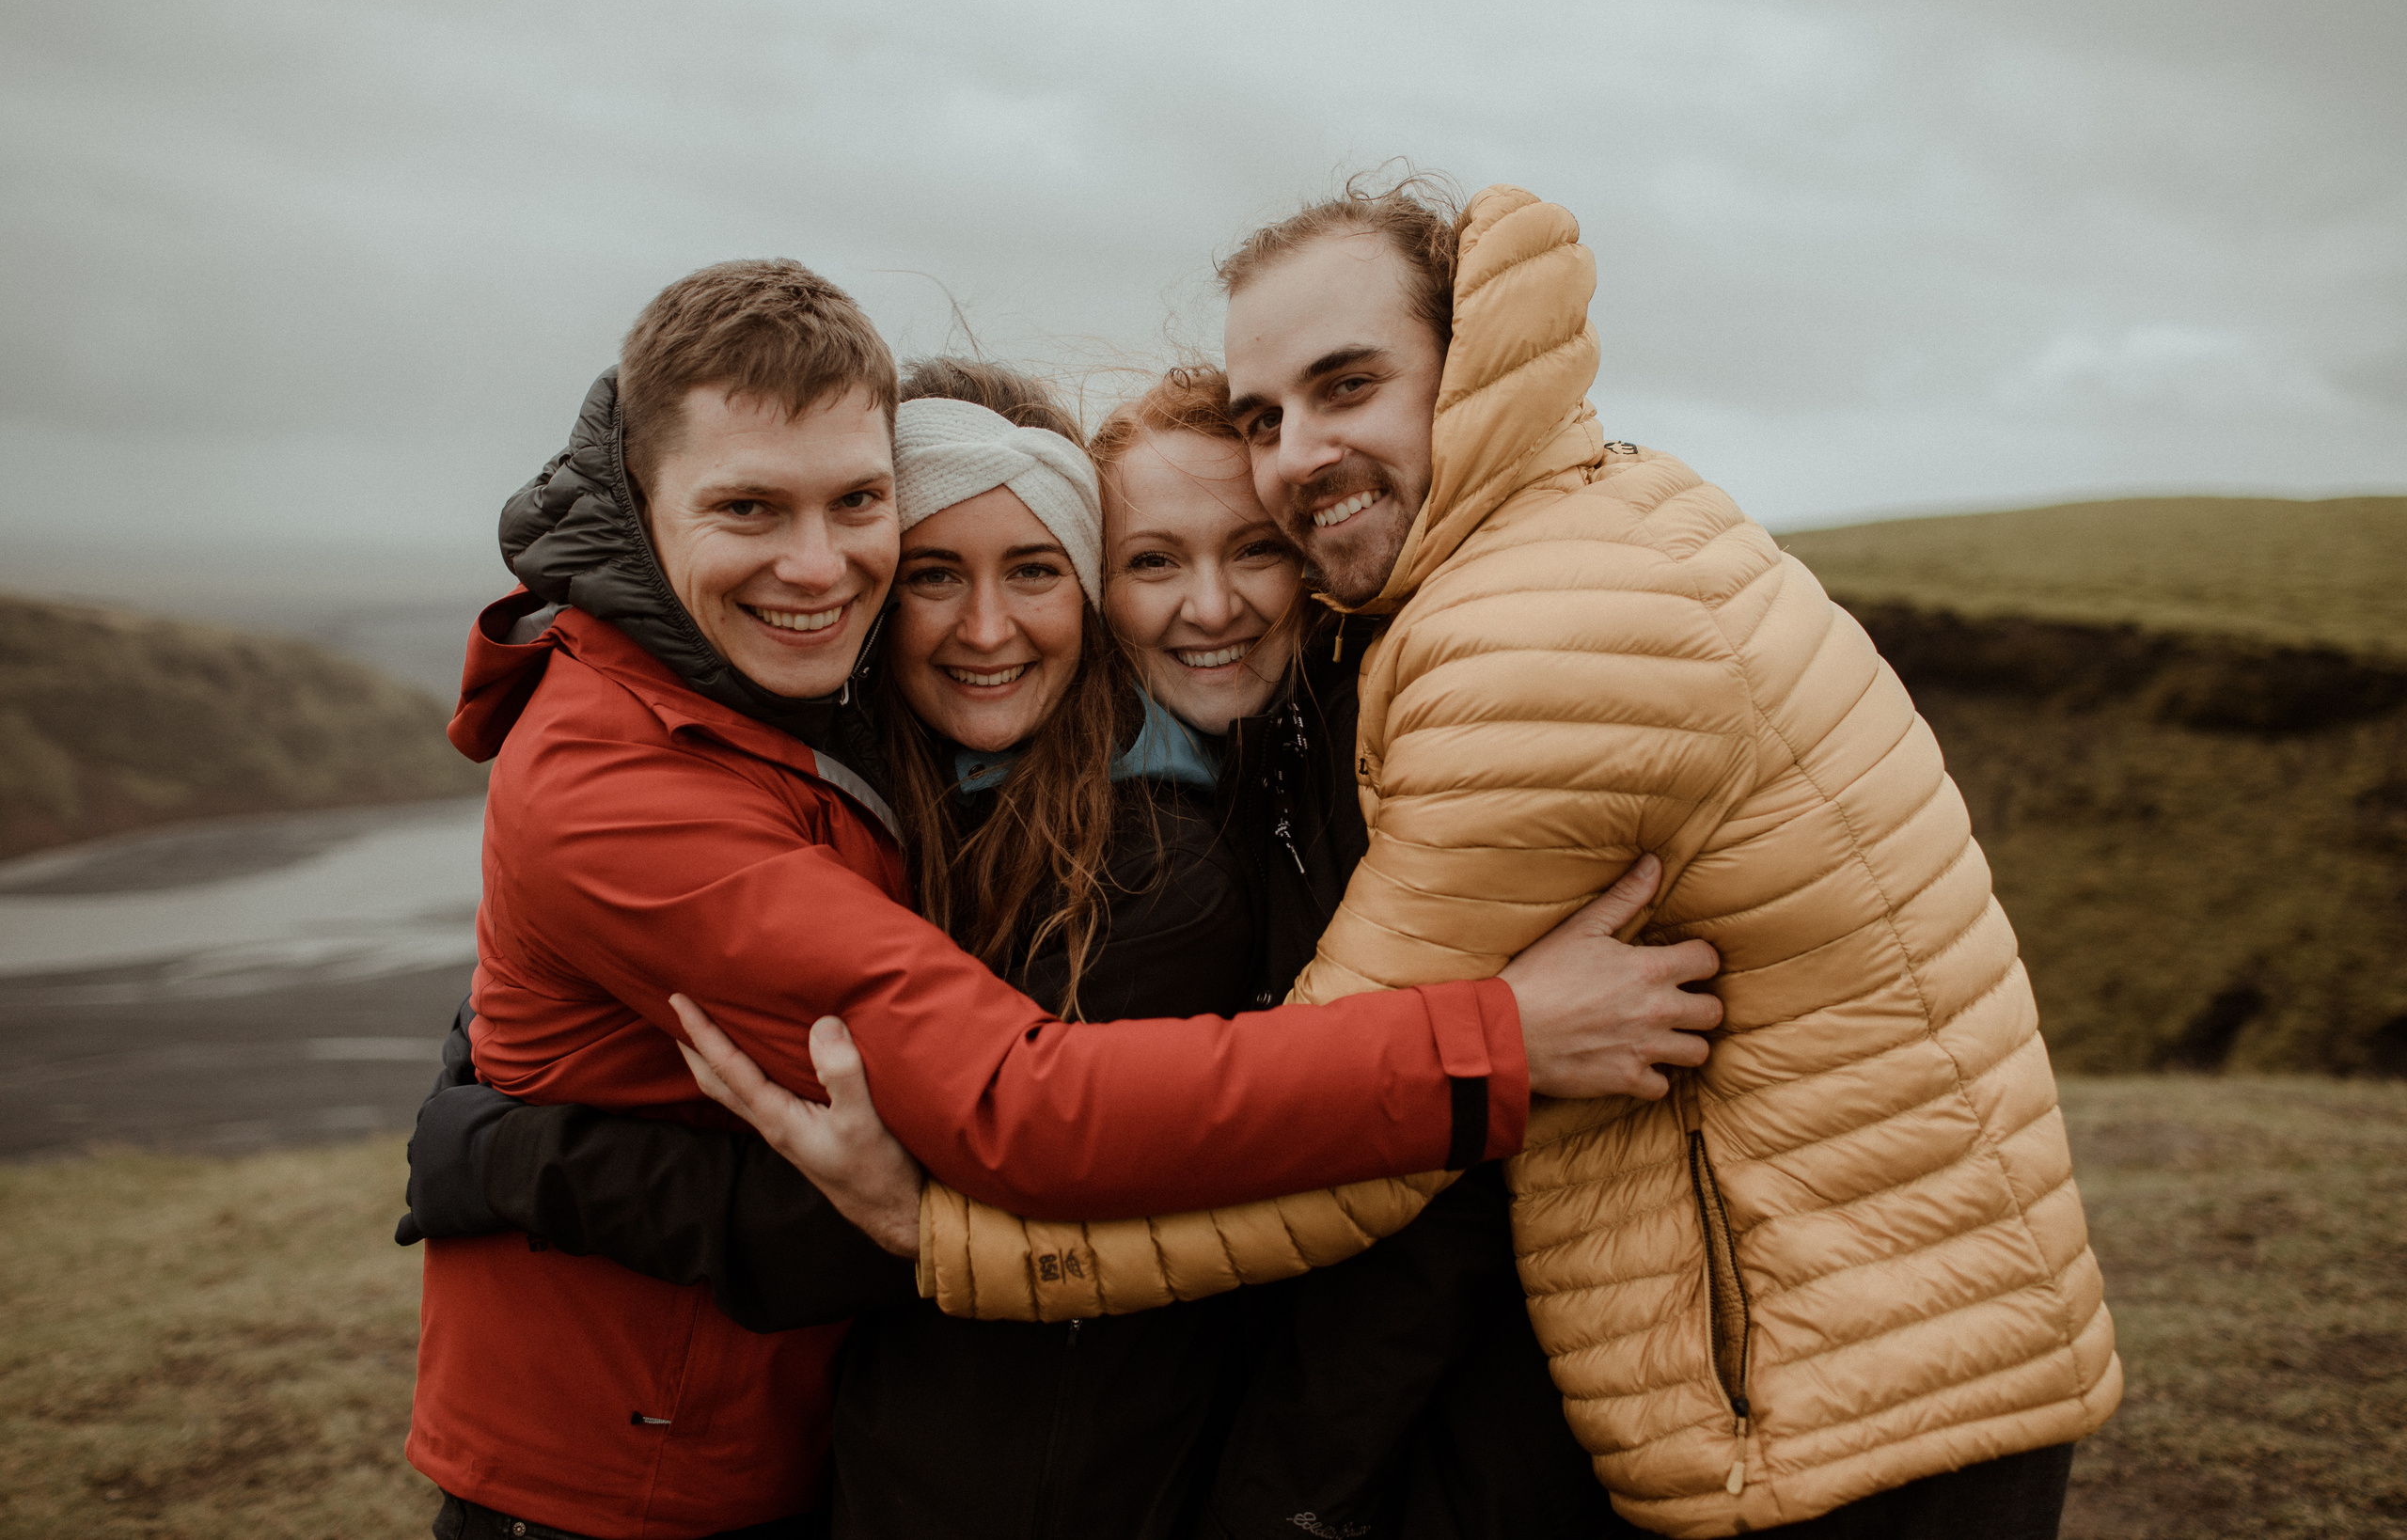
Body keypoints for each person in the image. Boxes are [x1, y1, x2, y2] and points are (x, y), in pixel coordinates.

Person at [403, 259, 1720, 1540]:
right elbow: (973, 1108)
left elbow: (997, 1127)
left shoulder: (1093, 829)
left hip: (820, 1445)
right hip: (625, 1465)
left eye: (857, 506)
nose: (816, 564)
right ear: (645, 502)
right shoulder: (694, 748)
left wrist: (518, 1165)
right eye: (751, 509)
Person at [904, 177, 2122, 1538]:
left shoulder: (1532, 636)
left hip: (1858, 1403)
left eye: (1348, 384)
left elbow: (1342, 1135)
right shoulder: (1578, 523)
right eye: (1265, 417)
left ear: (1466, 361)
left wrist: (938, 1240)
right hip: (1857, 1343)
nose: (1299, 454)